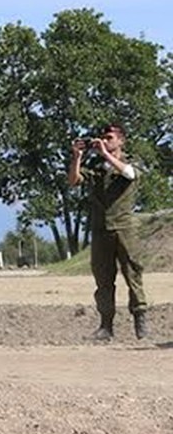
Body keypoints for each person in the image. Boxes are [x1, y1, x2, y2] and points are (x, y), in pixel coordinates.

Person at [69, 124, 147, 340]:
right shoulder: (96, 166)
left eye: (110, 137)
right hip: (100, 228)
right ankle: (106, 326)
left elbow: (130, 174)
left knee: (133, 275)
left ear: (121, 141)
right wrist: (77, 157)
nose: (105, 140)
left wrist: (104, 153)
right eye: (103, 137)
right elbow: (74, 181)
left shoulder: (132, 162)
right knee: (103, 279)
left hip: (125, 228)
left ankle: (140, 320)